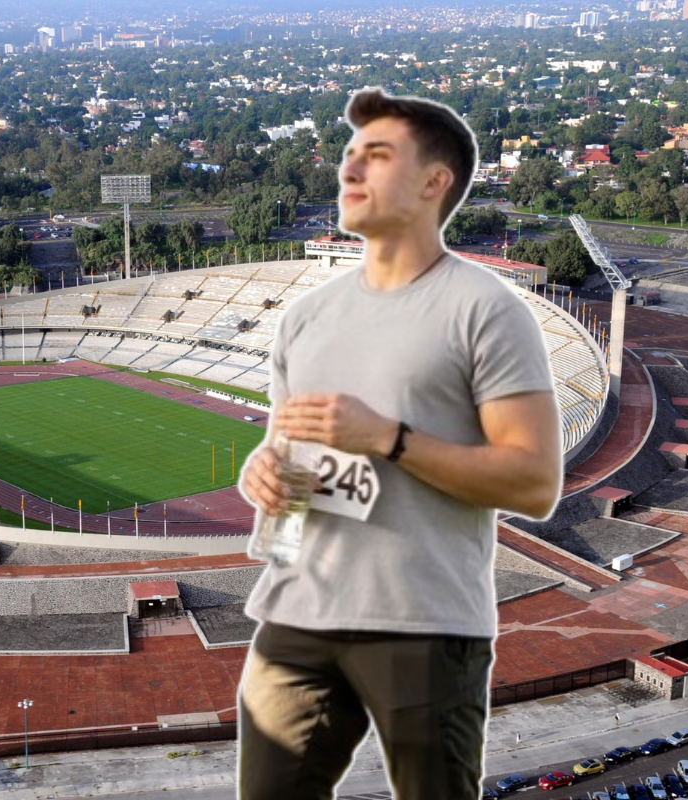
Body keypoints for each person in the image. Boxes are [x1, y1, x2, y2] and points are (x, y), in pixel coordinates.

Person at [235, 87, 564, 800]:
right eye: (349, 156)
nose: (349, 171)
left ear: (433, 182)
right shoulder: (306, 317)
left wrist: (388, 438)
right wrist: (263, 474)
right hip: (296, 611)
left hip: (421, 620)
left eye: (375, 157)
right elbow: (290, 453)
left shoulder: (485, 310)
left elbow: (534, 482)